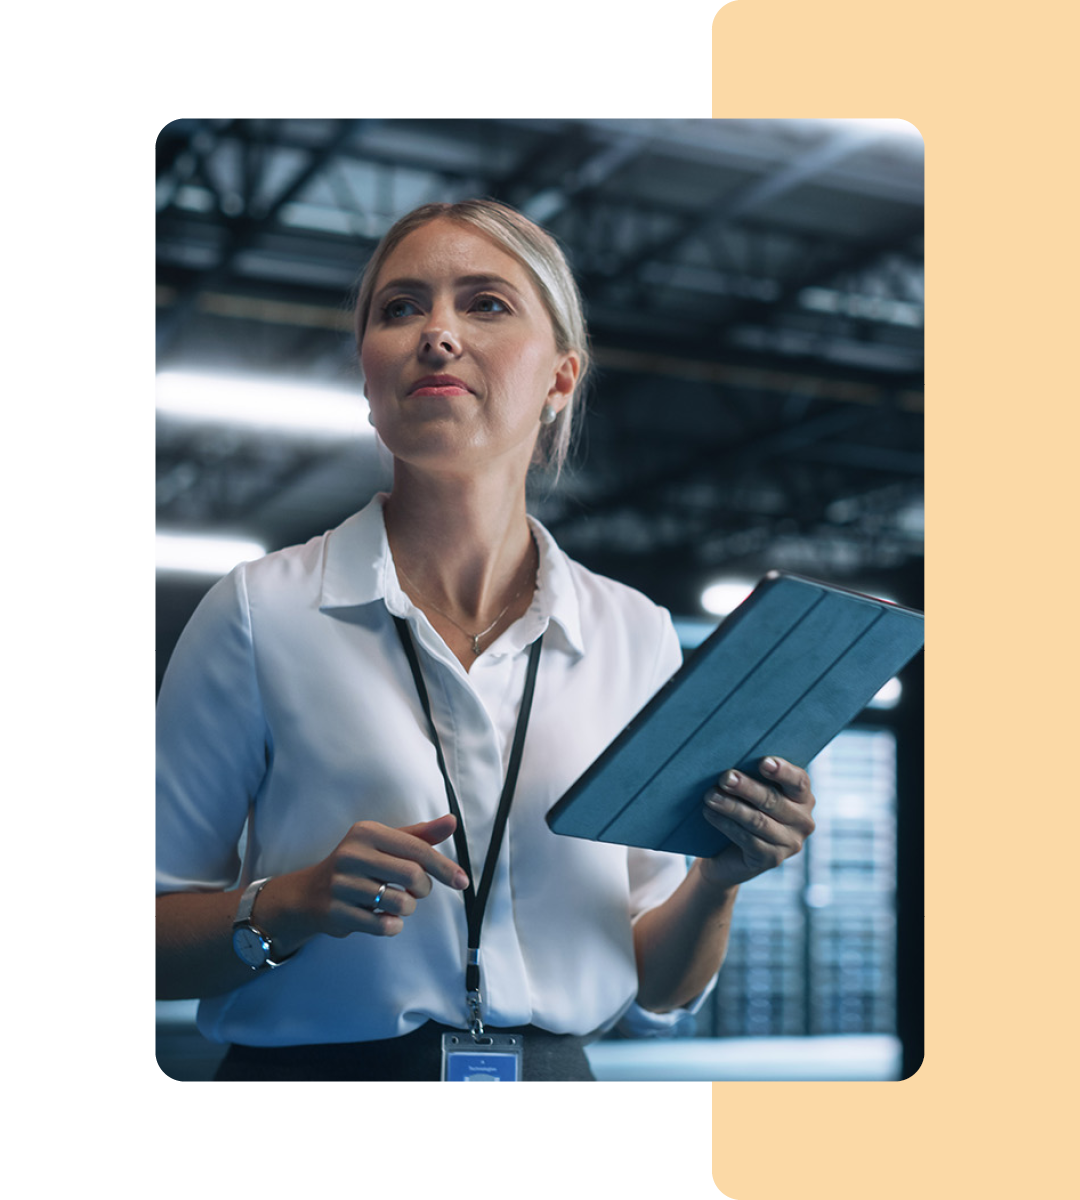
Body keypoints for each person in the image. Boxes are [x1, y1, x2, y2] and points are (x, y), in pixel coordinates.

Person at [154, 198, 817, 1082]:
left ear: (560, 380)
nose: (437, 333)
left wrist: (719, 878)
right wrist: (293, 902)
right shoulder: (258, 613)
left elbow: (660, 982)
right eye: (400, 308)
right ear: (366, 376)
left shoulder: (632, 633)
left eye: (486, 303)